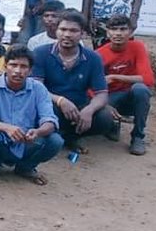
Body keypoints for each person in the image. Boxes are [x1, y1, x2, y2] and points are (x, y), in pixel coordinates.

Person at [0, 45, 63, 186]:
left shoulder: (38, 88)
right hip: (0, 140)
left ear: (30, 70)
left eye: (23, 66)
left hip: (27, 141)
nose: (17, 71)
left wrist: (38, 131)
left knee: (55, 141)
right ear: (5, 66)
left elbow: (50, 120)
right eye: (13, 65)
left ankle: (26, 168)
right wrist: (7, 128)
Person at [32, 10, 115, 153]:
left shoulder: (93, 58)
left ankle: (71, 136)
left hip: (79, 107)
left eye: (73, 30)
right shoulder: (41, 53)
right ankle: (57, 135)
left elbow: (101, 94)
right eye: (63, 29)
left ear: (82, 33)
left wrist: (89, 110)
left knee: (105, 118)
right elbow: (35, 86)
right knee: (41, 112)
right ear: (56, 31)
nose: (67, 34)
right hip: (50, 104)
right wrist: (60, 101)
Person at [97, 14, 155, 155]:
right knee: (99, 112)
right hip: (110, 97)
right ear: (107, 32)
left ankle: (138, 136)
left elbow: (148, 79)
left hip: (131, 96)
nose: (118, 33)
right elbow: (91, 88)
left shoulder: (138, 47)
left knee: (141, 90)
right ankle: (112, 125)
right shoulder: (99, 54)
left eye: (123, 29)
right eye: (114, 29)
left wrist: (115, 77)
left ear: (130, 32)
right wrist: (104, 105)